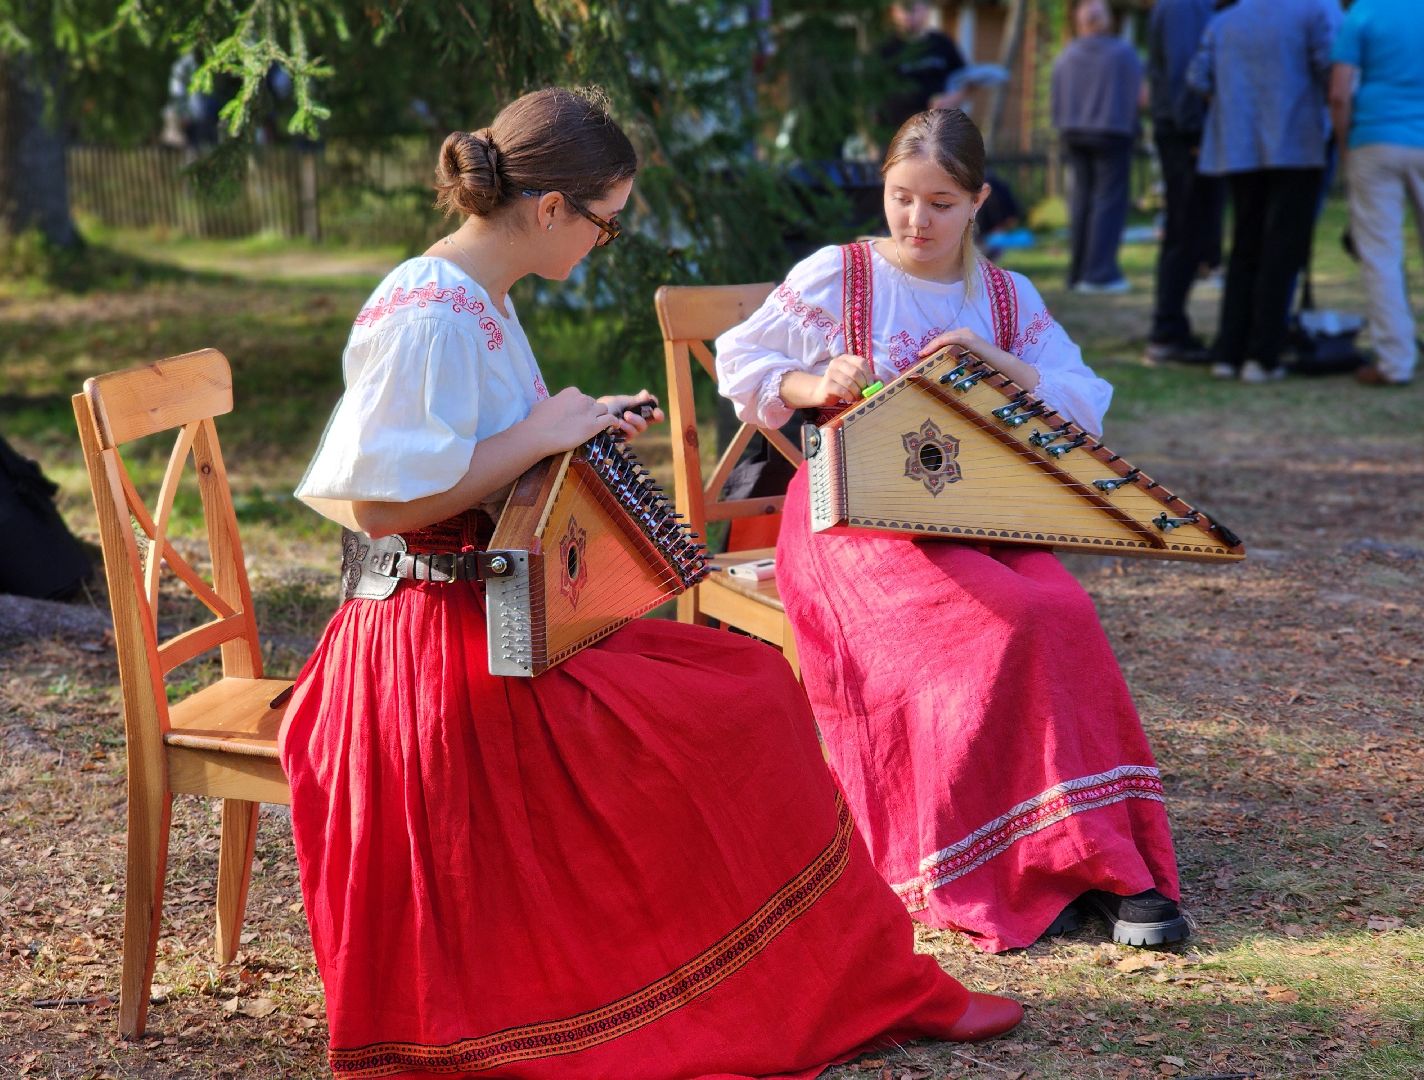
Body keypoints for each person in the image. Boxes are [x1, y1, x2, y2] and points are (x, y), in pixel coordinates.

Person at [280, 87, 1021, 1079]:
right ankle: (738, 987)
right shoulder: (431, 313)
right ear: (551, 208)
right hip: (434, 643)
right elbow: (380, 506)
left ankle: (819, 973)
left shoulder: (477, 297)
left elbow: (466, 454)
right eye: (606, 221)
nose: (605, 240)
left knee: (747, 682)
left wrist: (573, 424)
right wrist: (541, 434)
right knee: (729, 710)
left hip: (493, 609)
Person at [715, 108, 1188, 955]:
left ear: (978, 201)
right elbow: (741, 362)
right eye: (901, 197)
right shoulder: (840, 274)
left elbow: (1084, 403)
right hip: (849, 523)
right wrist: (817, 381)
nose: (916, 220)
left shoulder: (1005, 297)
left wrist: (997, 363)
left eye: (940, 203)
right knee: (1002, 625)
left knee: (1063, 613)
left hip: (979, 519)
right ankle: (1018, 857)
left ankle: (1091, 857)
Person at [1187, 0, 1335, 384]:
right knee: (1282, 252)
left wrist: (1236, 102)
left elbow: (1198, 78)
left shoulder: (1223, 21)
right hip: (1296, 145)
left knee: (1244, 248)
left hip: (1239, 147)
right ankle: (1263, 356)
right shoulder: (1311, 14)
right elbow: (1329, 72)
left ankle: (1228, 352)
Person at [1329, 0, 1424, 387]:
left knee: (1380, 255)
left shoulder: (1363, 13)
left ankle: (1395, 362)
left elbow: (1339, 92)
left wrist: (1345, 145)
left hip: (1375, 140)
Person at [1143, 0, 1224, 365]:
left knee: (1191, 231)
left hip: (1184, 130)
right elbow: (1184, 73)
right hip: (1185, 134)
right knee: (1185, 231)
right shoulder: (1183, 7)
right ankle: (1167, 332)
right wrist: (1194, 133)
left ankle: (1172, 327)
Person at [1049, 0, 1145, 294]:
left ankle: (1077, 273)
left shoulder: (1066, 55)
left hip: (1073, 132)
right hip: (1111, 131)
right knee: (1108, 202)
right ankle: (1100, 274)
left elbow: (1056, 98)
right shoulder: (1123, 53)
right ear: (1106, 21)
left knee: (1081, 200)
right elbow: (1141, 97)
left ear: (1081, 22)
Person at [879, 2, 968, 130]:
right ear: (893, 11)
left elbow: (966, 80)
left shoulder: (942, 42)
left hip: (938, 129)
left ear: (926, 9)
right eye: (903, 8)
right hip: (895, 131)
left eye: (914, 7)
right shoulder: (884, 48)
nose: (908, 14)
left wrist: (952, 98)